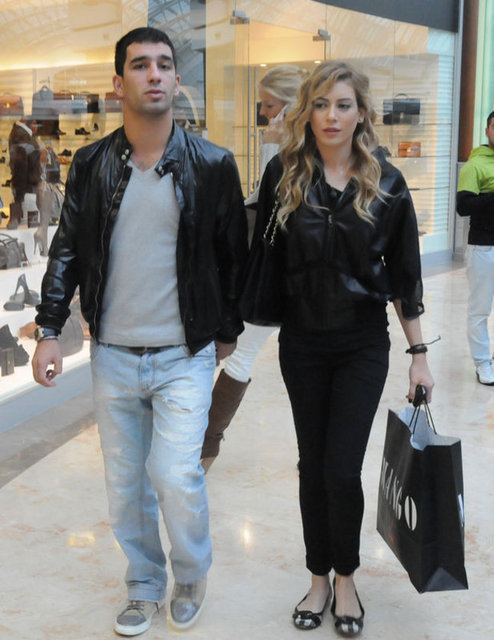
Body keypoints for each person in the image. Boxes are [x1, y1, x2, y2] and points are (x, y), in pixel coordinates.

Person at [31, 27, 247, 637]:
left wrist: (227, 329)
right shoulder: (92, 163)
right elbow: (67, 250)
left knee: (175, 474)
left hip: (184, 354)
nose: (153, 74)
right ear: (118, 83)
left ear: (176, 79)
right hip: (115, 356)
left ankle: (191, 573)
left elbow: (234, 256)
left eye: (163, 64)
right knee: (125, 487)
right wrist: (49, 328)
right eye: (140, 64)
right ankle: (145, 583)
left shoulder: (212, 164)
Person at [243, 60, 434, 637]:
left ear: (361, 113)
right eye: (321, 104)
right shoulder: (283, 174)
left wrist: (419, 356)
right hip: (302, 343)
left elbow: (405, 277)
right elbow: (264, 258)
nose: (331, 116)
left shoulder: (387, 183)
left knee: (342, 467)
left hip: (361, 345)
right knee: (312, 465)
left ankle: (345, 576)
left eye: (343, 105)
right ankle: (317, 577)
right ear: (307, 111)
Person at [201, 64, 308, 472]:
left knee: (239, 355)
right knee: (257, 359)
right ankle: (205, 445)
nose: (263, 114)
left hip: (277, 276)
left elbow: (272, 205)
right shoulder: (306, 147)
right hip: (286, 276)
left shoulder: (294, 152)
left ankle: (205, 447)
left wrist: (271, 146)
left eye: (269, 106)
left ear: (291, 107)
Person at [457, 111, 494, 385]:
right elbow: (464, 206)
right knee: (480, 310)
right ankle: (483, 364)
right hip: (484, 247)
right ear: (487, 130)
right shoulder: (475, 165)